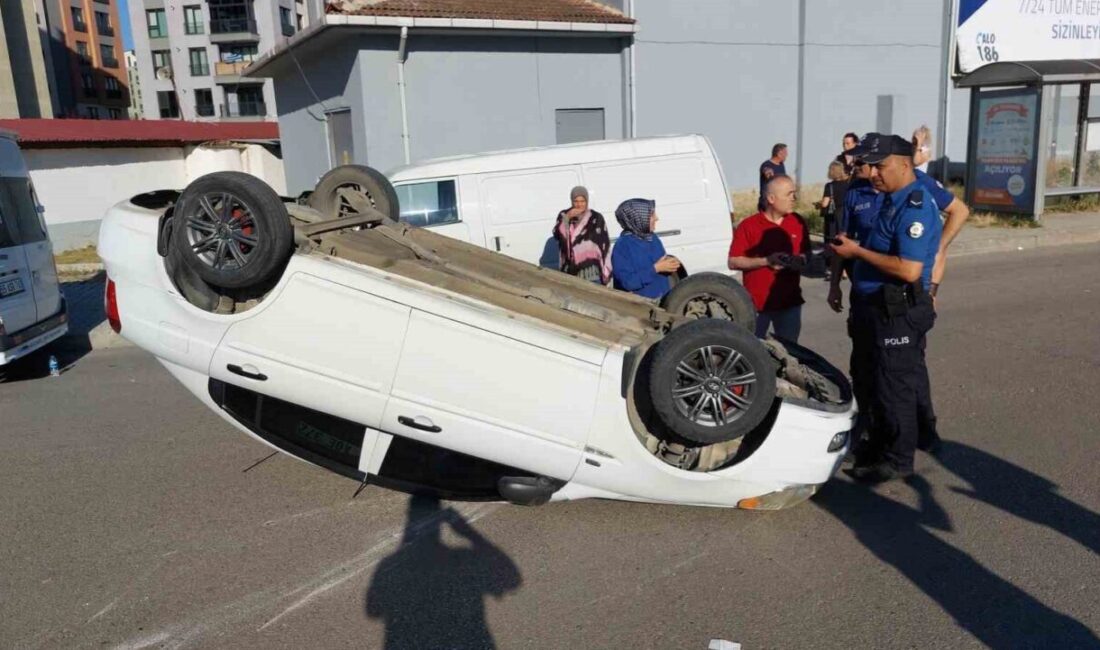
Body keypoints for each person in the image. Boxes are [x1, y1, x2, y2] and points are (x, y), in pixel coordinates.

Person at [829, 134, 943, 483]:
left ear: (905, 164)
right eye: (870, 166)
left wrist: (858, 253)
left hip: (896, 311)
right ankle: (877, 445)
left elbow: (909, 269)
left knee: (895, 388)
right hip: (872, 307)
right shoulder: (892, 199)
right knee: (872, 382)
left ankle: (898, 459)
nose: (873, 173)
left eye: (880, 166)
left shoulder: (915, 205)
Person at [728, 175, 810, 342]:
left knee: (791, 353)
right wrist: (766, 261)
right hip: (756, 306)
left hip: (790, 303)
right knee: (752, 352)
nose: (794, 198)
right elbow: (733, 261)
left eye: (794, 193)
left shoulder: (797, 221)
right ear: (771, 198)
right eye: (789, 194)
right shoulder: (748, 226)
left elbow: (806, 255)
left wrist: (799, 261)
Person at [610, 198, 680, 299]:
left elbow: (661, 266)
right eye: (652, 215)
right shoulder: (622, 246)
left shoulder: (652, 238)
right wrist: (655, 268)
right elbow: (628, 283)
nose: (657, 218)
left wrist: (670, 264)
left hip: (663, 301)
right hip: (641, 308)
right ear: (637, 218)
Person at [552, 186, 611, 285]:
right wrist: (567, 219)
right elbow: (557, 235)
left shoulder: (596, 217)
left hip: (592, 270)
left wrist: (606, 271)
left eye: (582, 201)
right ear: (571, 201)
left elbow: (604, 243)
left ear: (587, 200)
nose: (579, 204)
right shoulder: (564, 215)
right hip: (570, 271)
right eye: (576, 201)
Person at [817, 160, 851, 274]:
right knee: (843, 240)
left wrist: (818, 204)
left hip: (832, 217)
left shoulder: (829, 186)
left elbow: (825, 204)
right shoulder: (848, 185)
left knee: (830, 241)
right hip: (844, 215)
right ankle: (845, 270)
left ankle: (831, 268)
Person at [757, 143, 788, 212]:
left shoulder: (781, 164)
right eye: (785, 153)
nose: (787, 155)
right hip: (767, 203)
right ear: (779, 154)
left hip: (779, 202)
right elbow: (767, 172)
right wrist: (769, 173)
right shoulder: (766, 165)